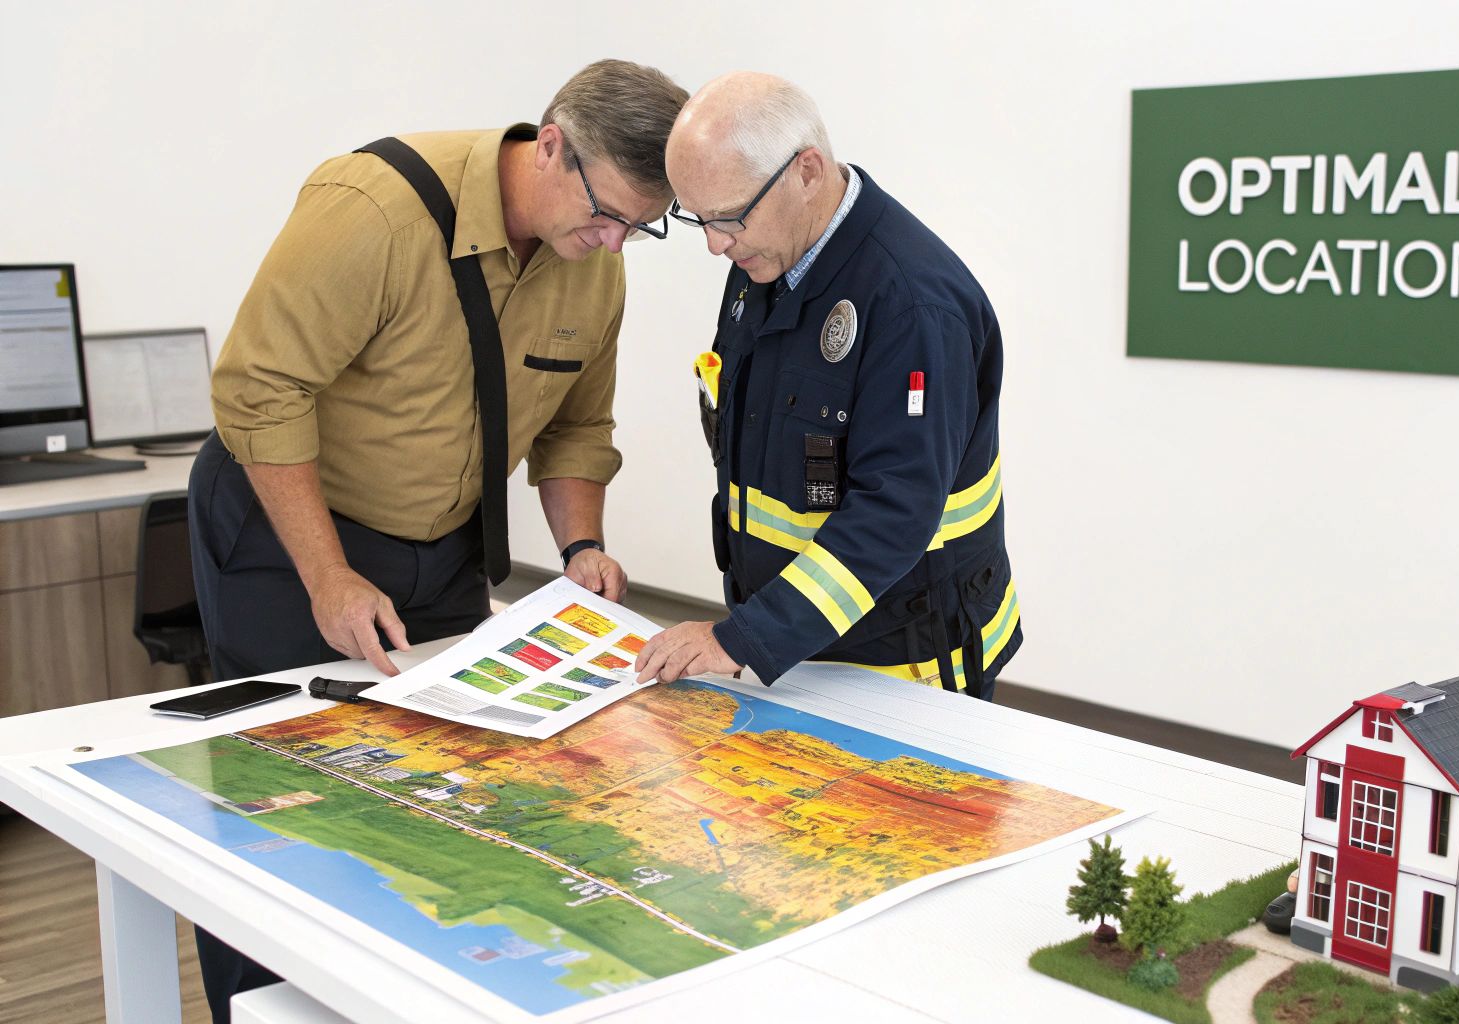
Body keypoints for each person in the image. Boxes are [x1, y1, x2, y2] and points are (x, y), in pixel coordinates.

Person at [187, 58, 687, 1021]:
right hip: (290, 529)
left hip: (447, 540)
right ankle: (258, 1005)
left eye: (640, 226)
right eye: (608, 212)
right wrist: (328, 576)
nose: (615, 240)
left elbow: (578, 425)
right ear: (551, 146)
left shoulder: (596, 263)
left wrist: (582, 546)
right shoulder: (372, 208)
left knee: (460, 789)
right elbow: (258, 388)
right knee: (285, 798)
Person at [635, 72, 1021, 699]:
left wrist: (741, 639)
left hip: (905, 660)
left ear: (808, 171)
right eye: (696, 219)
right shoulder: (764, 253)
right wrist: (752, 632)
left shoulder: (912, 306)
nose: (713, 244)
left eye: (728, 217)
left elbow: (894, 513)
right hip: (793, 645)